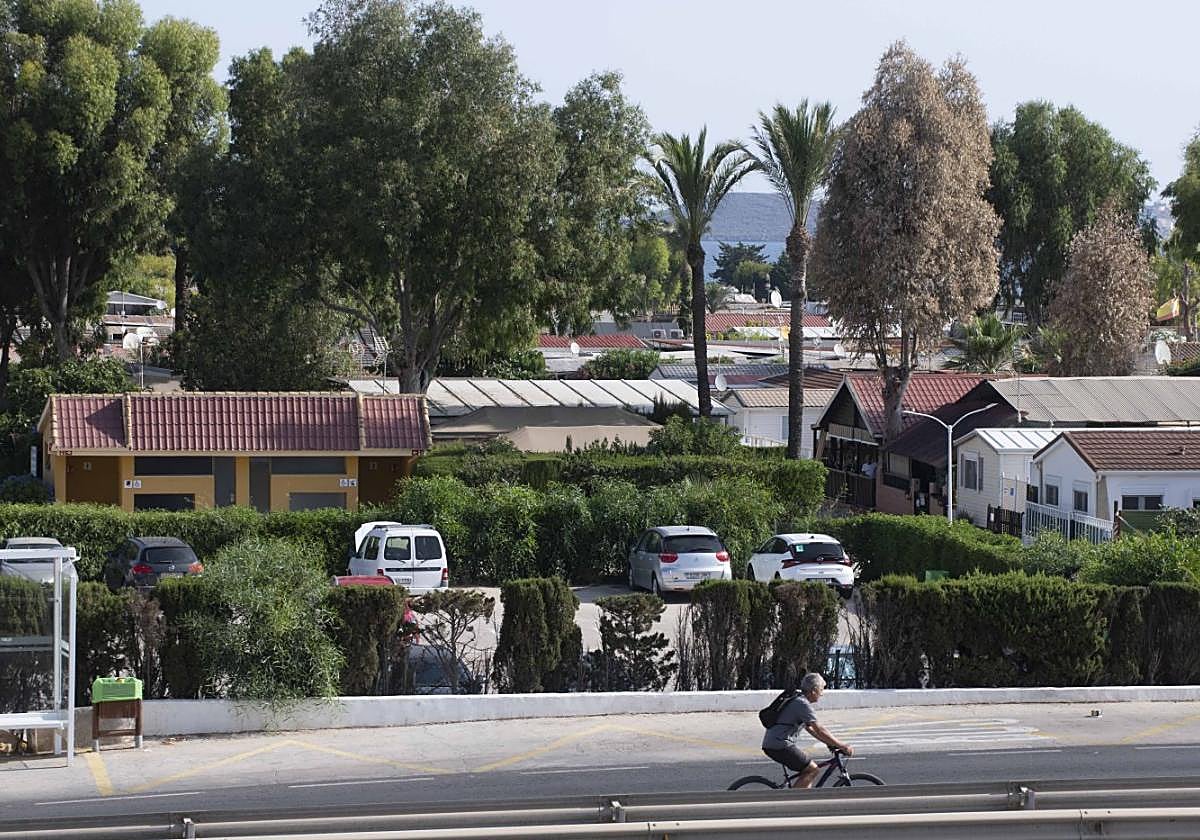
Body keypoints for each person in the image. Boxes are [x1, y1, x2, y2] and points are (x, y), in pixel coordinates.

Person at [761, 672, 853, 788]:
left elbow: (810, 729)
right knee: (812, 770)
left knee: (808, 771)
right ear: (814, 690)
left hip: (774, 743)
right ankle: (791, 799)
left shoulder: (798, 699)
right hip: (780, 745)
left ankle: (802, 796)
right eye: (821, 689)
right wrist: (842, 746)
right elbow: (819, 729)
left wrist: (830, 743)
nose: (822, 694)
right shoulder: (802, 704)